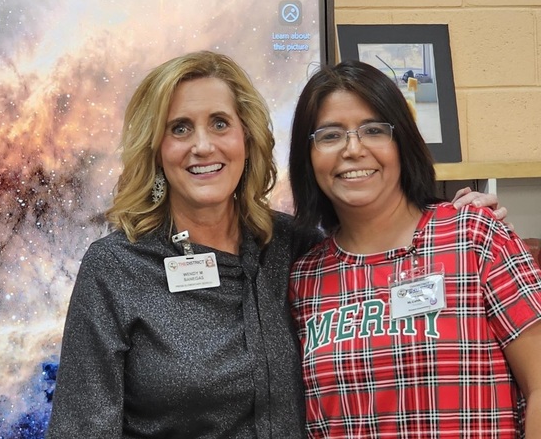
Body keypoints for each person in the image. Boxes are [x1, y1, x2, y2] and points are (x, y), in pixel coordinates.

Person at [46, 51, 504, 439]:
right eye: (179, 128)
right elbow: (80, 428)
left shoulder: (296, 247)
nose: (202, 146)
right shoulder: (116, 268)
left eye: (220, 123)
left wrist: (451, 220)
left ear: (246, 138)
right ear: (155, 148)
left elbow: (378, 259)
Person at [287, 60, 541, 438]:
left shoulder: (474, 237)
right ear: (307, 156)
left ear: (402, 142)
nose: (353, 149)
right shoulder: (304, 279)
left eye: (374, 130)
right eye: (330, 135)